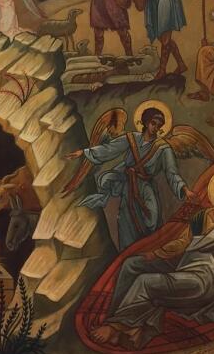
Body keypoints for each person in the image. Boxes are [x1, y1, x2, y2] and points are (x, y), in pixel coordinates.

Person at [92, 177, 214, 349]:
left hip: (205, 280)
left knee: (145, 281)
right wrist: (156, 253)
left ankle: (116, 327)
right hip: (185, 265)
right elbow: (183, 243)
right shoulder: (202, 216)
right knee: (132, 264)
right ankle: (116, 320)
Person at [67, 107, 188, 250]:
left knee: (152, 217)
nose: (155, 128)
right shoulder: (131, 138)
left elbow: (171, 172)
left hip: (145, 186)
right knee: (126, 220)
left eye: (159, 125)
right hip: (127, 185)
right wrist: (84, 152)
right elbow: (109, 149)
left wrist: (185, 190)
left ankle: (148, 252)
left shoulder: (163, 148)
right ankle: (127, 253)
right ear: (145, 122)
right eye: (153, 123)